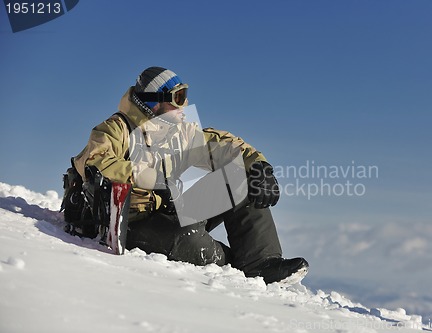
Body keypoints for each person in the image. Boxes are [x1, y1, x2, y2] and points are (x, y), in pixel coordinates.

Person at [73, 66, 308, 284]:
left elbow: (222, 145)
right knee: (191, 243)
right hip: (133, 222)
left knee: (242, 181)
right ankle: (235, 270)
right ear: (154, 103)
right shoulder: (118, 128)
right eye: (178, 98)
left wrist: (259, 166)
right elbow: (94, 161)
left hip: (170, 208)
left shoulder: (181, 132)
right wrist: (153, 179)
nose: (184, 105)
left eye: (184, 96)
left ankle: (260, 262)